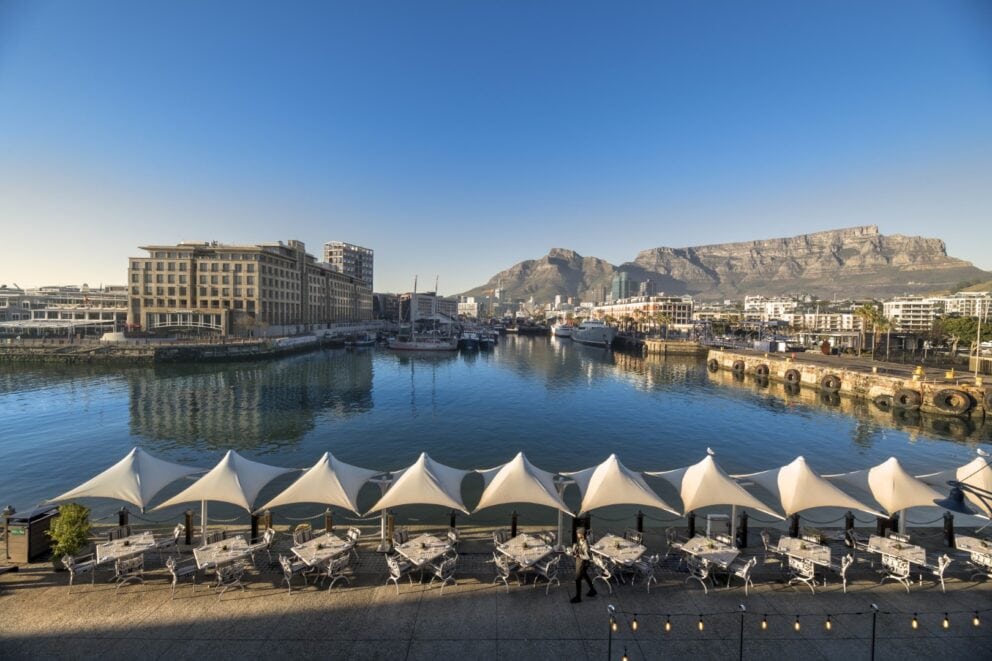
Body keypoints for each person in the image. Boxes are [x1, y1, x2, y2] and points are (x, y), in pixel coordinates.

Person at [570, 528, 596, 603]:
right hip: (579, 561)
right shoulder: (580, 540)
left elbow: (588, 557)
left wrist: (579, 555)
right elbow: (578, 547)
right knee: (585, 575)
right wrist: (574, 550)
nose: (577, 534)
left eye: (578, 533)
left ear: (581, 534)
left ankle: (578, 597)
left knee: (578, 579)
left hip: (582, 563)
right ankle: (593, 590)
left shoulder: (585, 544)